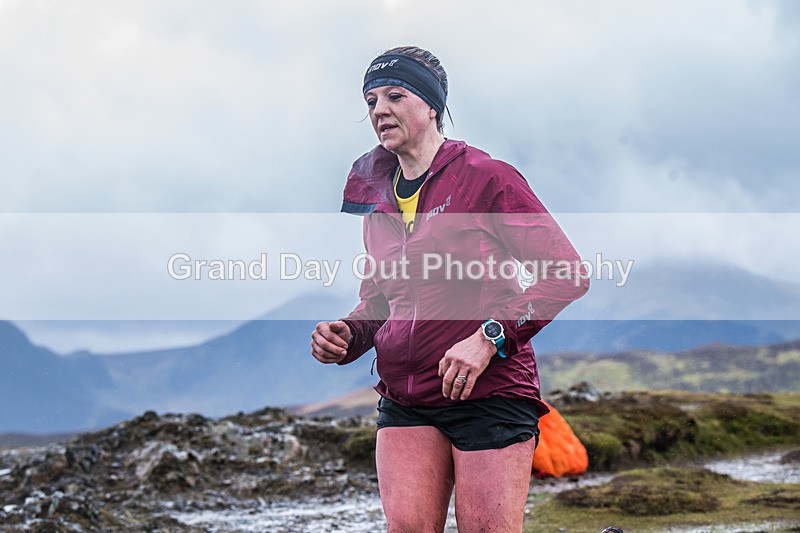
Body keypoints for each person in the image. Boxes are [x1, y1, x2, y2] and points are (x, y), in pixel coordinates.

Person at [311, 45, 589, 532]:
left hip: (491, 393)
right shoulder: (377, 201)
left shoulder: (485, 178)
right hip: (406, 397)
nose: (379, 110)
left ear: (431, 105)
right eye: (370, 101)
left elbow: (566, 273)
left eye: (394, 95)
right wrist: (347, 334)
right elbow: (380, 302)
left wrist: (489, 338)